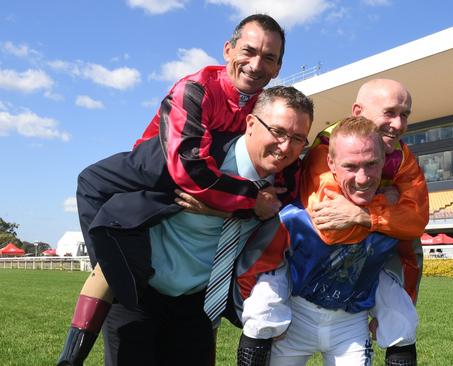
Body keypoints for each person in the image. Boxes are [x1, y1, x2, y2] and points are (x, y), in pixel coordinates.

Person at [56, 14, 301, 366]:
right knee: (100, 198)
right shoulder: (195, 88)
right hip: (159, 166)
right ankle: (93, 318)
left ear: (278, 67)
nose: (257, 64)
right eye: (249, 51)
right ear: (228, 50)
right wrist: (248, 203)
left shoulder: (264, 106)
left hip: (203, 174)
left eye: (270, 58)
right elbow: (189, 172)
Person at [241, 116, 417, 365]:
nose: (363, 178)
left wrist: (396, 311)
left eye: (372, 164)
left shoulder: (394, 219)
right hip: (295, 319)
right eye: (351, 166)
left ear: (384, 162)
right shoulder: (296, 217)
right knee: (262, 305)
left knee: (403, 318)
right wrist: (255, 316)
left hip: (350, 323)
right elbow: (255, 266)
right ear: (331, 164)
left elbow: (409, 262)